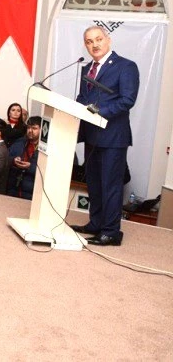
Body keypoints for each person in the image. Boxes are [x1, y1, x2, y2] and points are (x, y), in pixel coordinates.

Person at [72, 25, 139, 246]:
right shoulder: (87, 68)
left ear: (108, 40)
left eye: (98, 39)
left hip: (113, 137)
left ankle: (111, 232)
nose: (94, 45)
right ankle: (96, 223)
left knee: (111, 186)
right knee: (94, 184)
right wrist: (76, 107)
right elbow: (83, 97)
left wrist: (99, 113)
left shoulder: (126, 66)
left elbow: (127, 100)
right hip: (91, 136)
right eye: (89, 41)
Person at [7, 116, 41, 199]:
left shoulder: (46, 149)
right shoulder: (19, 142)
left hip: (31, 193)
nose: (30, 131)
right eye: (28, 128)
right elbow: (6, 158)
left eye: (34, 128)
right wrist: (14, 160)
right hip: (13, 189)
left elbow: (47, 171)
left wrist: (30, 166)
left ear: (41, 130)